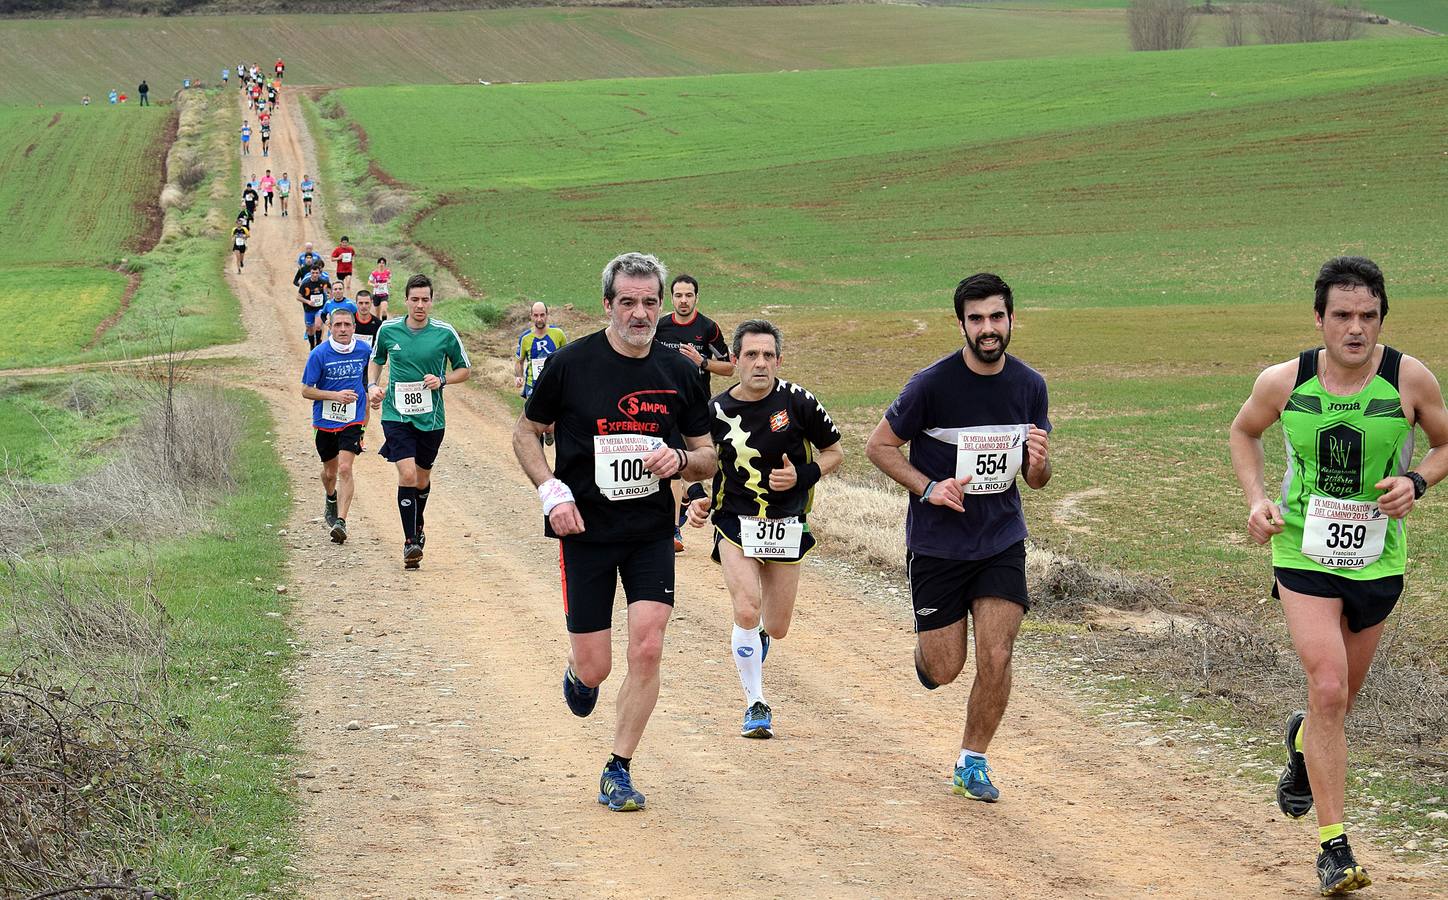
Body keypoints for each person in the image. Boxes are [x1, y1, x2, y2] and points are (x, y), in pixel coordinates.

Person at [1228, 256, 1447, 896]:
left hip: (1378, 558)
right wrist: (1256, 500)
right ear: (1319, 319)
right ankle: (1334, 848)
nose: (1356, 329)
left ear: (1382, 319)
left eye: (1369, 316)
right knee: (1326, 688)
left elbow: (1443, 445)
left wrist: (1416, 481)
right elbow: (1243, 434)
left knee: (1337, 702)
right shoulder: (1284, 381)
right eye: (1343, 315)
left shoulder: (1409, 378)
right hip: (1302, 552)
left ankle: (1301, 741)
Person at [512, 252, 715, 813]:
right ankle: (580, 675)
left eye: (650, 301)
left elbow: (708, 456)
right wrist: (552, 493)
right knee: (597, 666)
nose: (641, 312)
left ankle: (618, 768)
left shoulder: (679, 372)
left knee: (648, 646)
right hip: (585, 533)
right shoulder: (573, 364)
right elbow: (525, 433)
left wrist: (680, 459)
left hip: (651, 532)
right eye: (628, 301)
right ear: (608, 304)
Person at [865, 272, 1051, 804]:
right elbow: (879, 447)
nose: (987, 328)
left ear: (1012, 319)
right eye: (976, 319)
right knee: (947, 668)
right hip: (938, 544)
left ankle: (972, 761)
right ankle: (928, 659)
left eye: (996, 317)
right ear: (961, 324)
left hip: (1000, 539)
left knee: (997, 653)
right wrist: (929, 489)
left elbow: (1035, 480)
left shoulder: (1029, 386)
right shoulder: (931, 385)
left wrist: (1039, 465)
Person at [684, 320, 842, 739]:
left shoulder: (798, 401)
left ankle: (756, 642)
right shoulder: (715, 412)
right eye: (751, 355)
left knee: (777, 625)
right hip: (735, 521)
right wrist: (697, 498)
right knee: (747, 608)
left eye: (768, 355)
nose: (760, 363)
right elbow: (698, 462)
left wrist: (803, 476)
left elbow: (834, 452)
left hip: (786, 522)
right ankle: (756, 703)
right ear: (734, 360)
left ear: (779, 360)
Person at [366, 274, 472, 569]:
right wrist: (372, 386)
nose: (420, 305)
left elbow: (465, 370)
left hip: (432, 418)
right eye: (415, 299)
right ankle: (410, 541)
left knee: (422, 479)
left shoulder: (445, 333)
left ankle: (418, 524)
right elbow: (377, 361)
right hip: (396, 414)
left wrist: (442, 380)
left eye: (425, 299)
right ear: (406, 300)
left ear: (432, 301)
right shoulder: (388, 330)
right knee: (408, 475)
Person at [654, 274, 733, 552]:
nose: (683, 300)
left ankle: (689, 496)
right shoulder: (660, 327)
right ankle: (674, 528)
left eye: (688, 295)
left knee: (692, 462)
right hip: (664, 406)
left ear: (696, 297)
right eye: (678, 295)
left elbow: (729, 367)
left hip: (697, 407)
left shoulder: (708, 328)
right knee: (674, 463)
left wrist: (702, 361)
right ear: (671, 298)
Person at [302, 302, 370, 545]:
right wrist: (334, 395)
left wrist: (370, 403)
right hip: (325, 421)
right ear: (330, 327)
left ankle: (341, 521)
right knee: (330, 472)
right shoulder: (318, 354)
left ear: (354, 327)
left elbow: (367, 383)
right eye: (338, 325)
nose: (343, 329)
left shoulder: (364, 351)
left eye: (347, 325)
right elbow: (306, 391)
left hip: (353, 419)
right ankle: (330, 496)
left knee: (344, 469)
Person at [297, 263, 331, 349]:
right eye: (313, 273)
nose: (315, 275)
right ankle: (312, 346)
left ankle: (318, 344)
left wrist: (329, 297)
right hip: (308, 309)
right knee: (310, 330)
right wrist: (307, 301)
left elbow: (331, 290)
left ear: (319, 273)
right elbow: (298, 297)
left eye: (317, 273)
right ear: (310, 273)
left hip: (320, 308)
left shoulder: (324, 282)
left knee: (318, 326)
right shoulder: (305, 284)